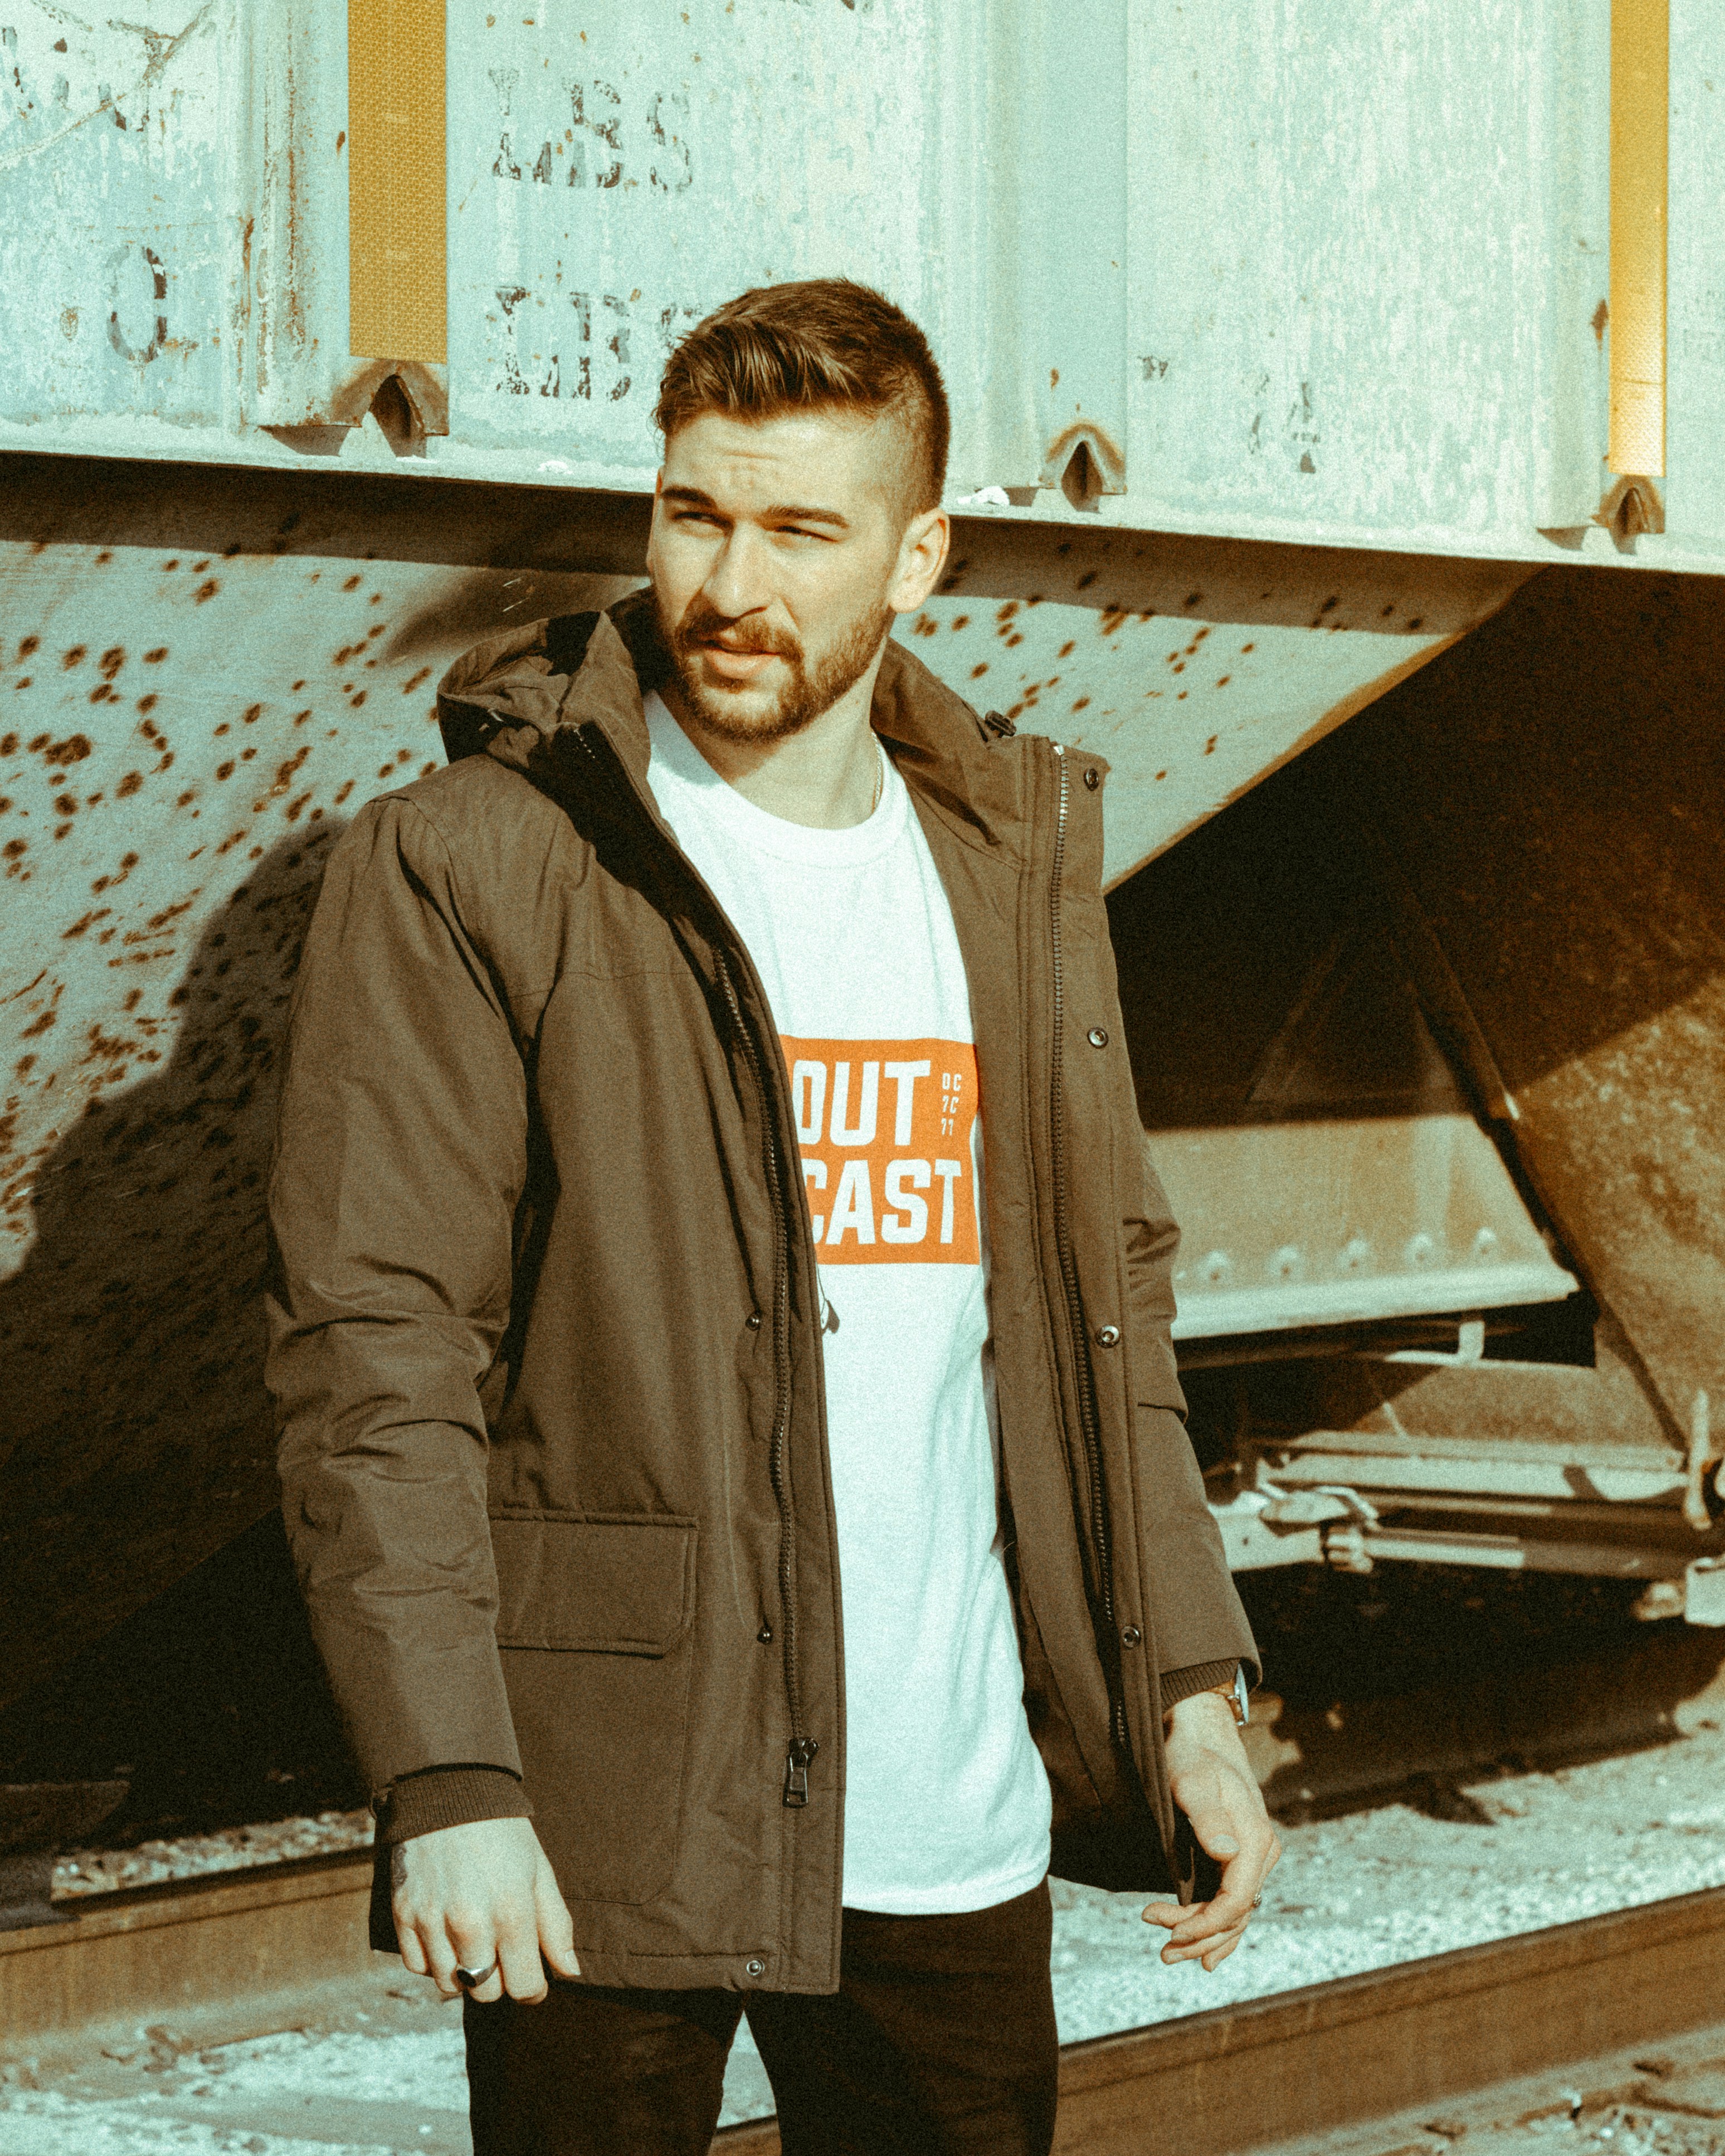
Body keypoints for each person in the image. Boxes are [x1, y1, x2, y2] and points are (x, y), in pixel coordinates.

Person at [266, 278, 1277, 2156]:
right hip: (611, 1816)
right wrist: (446, 1771)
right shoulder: (478, 861)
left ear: (918, 561)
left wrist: (1191, 1690)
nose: (732, 581)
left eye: (804, 529)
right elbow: (376, 1349)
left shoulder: (1006, 872)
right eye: (694, 513)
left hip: (954, 1827)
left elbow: (1097, 1311)